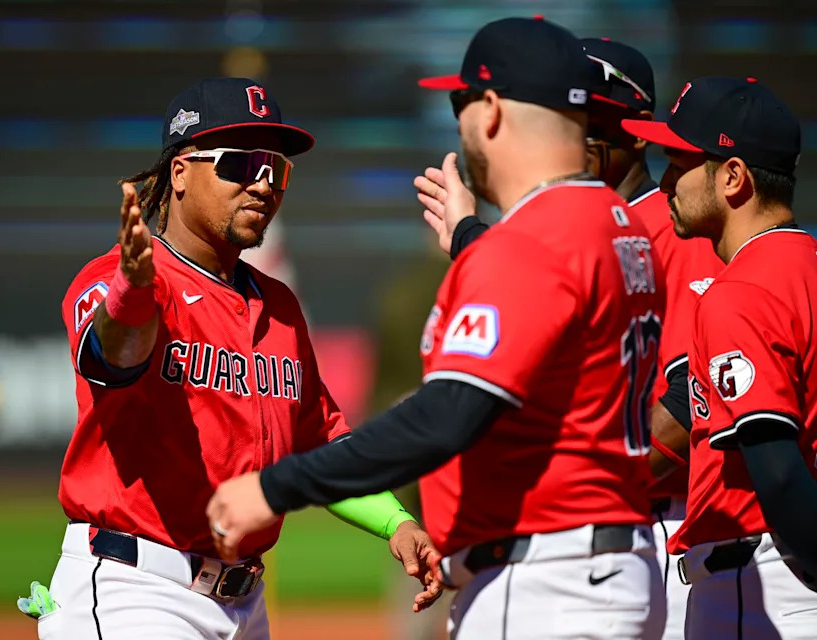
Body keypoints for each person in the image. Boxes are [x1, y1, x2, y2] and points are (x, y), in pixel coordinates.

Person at [207, 18, 667, 638]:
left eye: (461, 103)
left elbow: (447, 414)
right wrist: (472, 239)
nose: (460, 123)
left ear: (493, 111)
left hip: (546, 581)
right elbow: (554, 294)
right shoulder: (620, 225)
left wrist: (275, 486)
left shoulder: (528, 247)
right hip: (614, 565)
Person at [33, 77, 439, 640]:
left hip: (244, 607)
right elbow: (113, 356)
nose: (263, 184)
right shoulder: (120, 281)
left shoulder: (279, 306)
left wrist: (396, 523)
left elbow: (323, 441)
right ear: (180, 172)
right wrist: (131, 292)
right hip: (137, 589)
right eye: (240, 164)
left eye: (277, 169)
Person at [415, 38, 723, 640]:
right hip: (604, 536)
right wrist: (471, 237)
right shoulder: (590, 224)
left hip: (650, 530)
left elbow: (694, 397)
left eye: (590, 121)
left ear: (636, 135)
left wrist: (597, 484)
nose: (572, 136)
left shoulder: (668, 227)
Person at [623, 76, 817, 638]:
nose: (664, 183)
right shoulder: (804, 267)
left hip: (761, 589)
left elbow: (777, 475)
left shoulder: (741, 292)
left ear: (733, 177)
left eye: (680, 163)